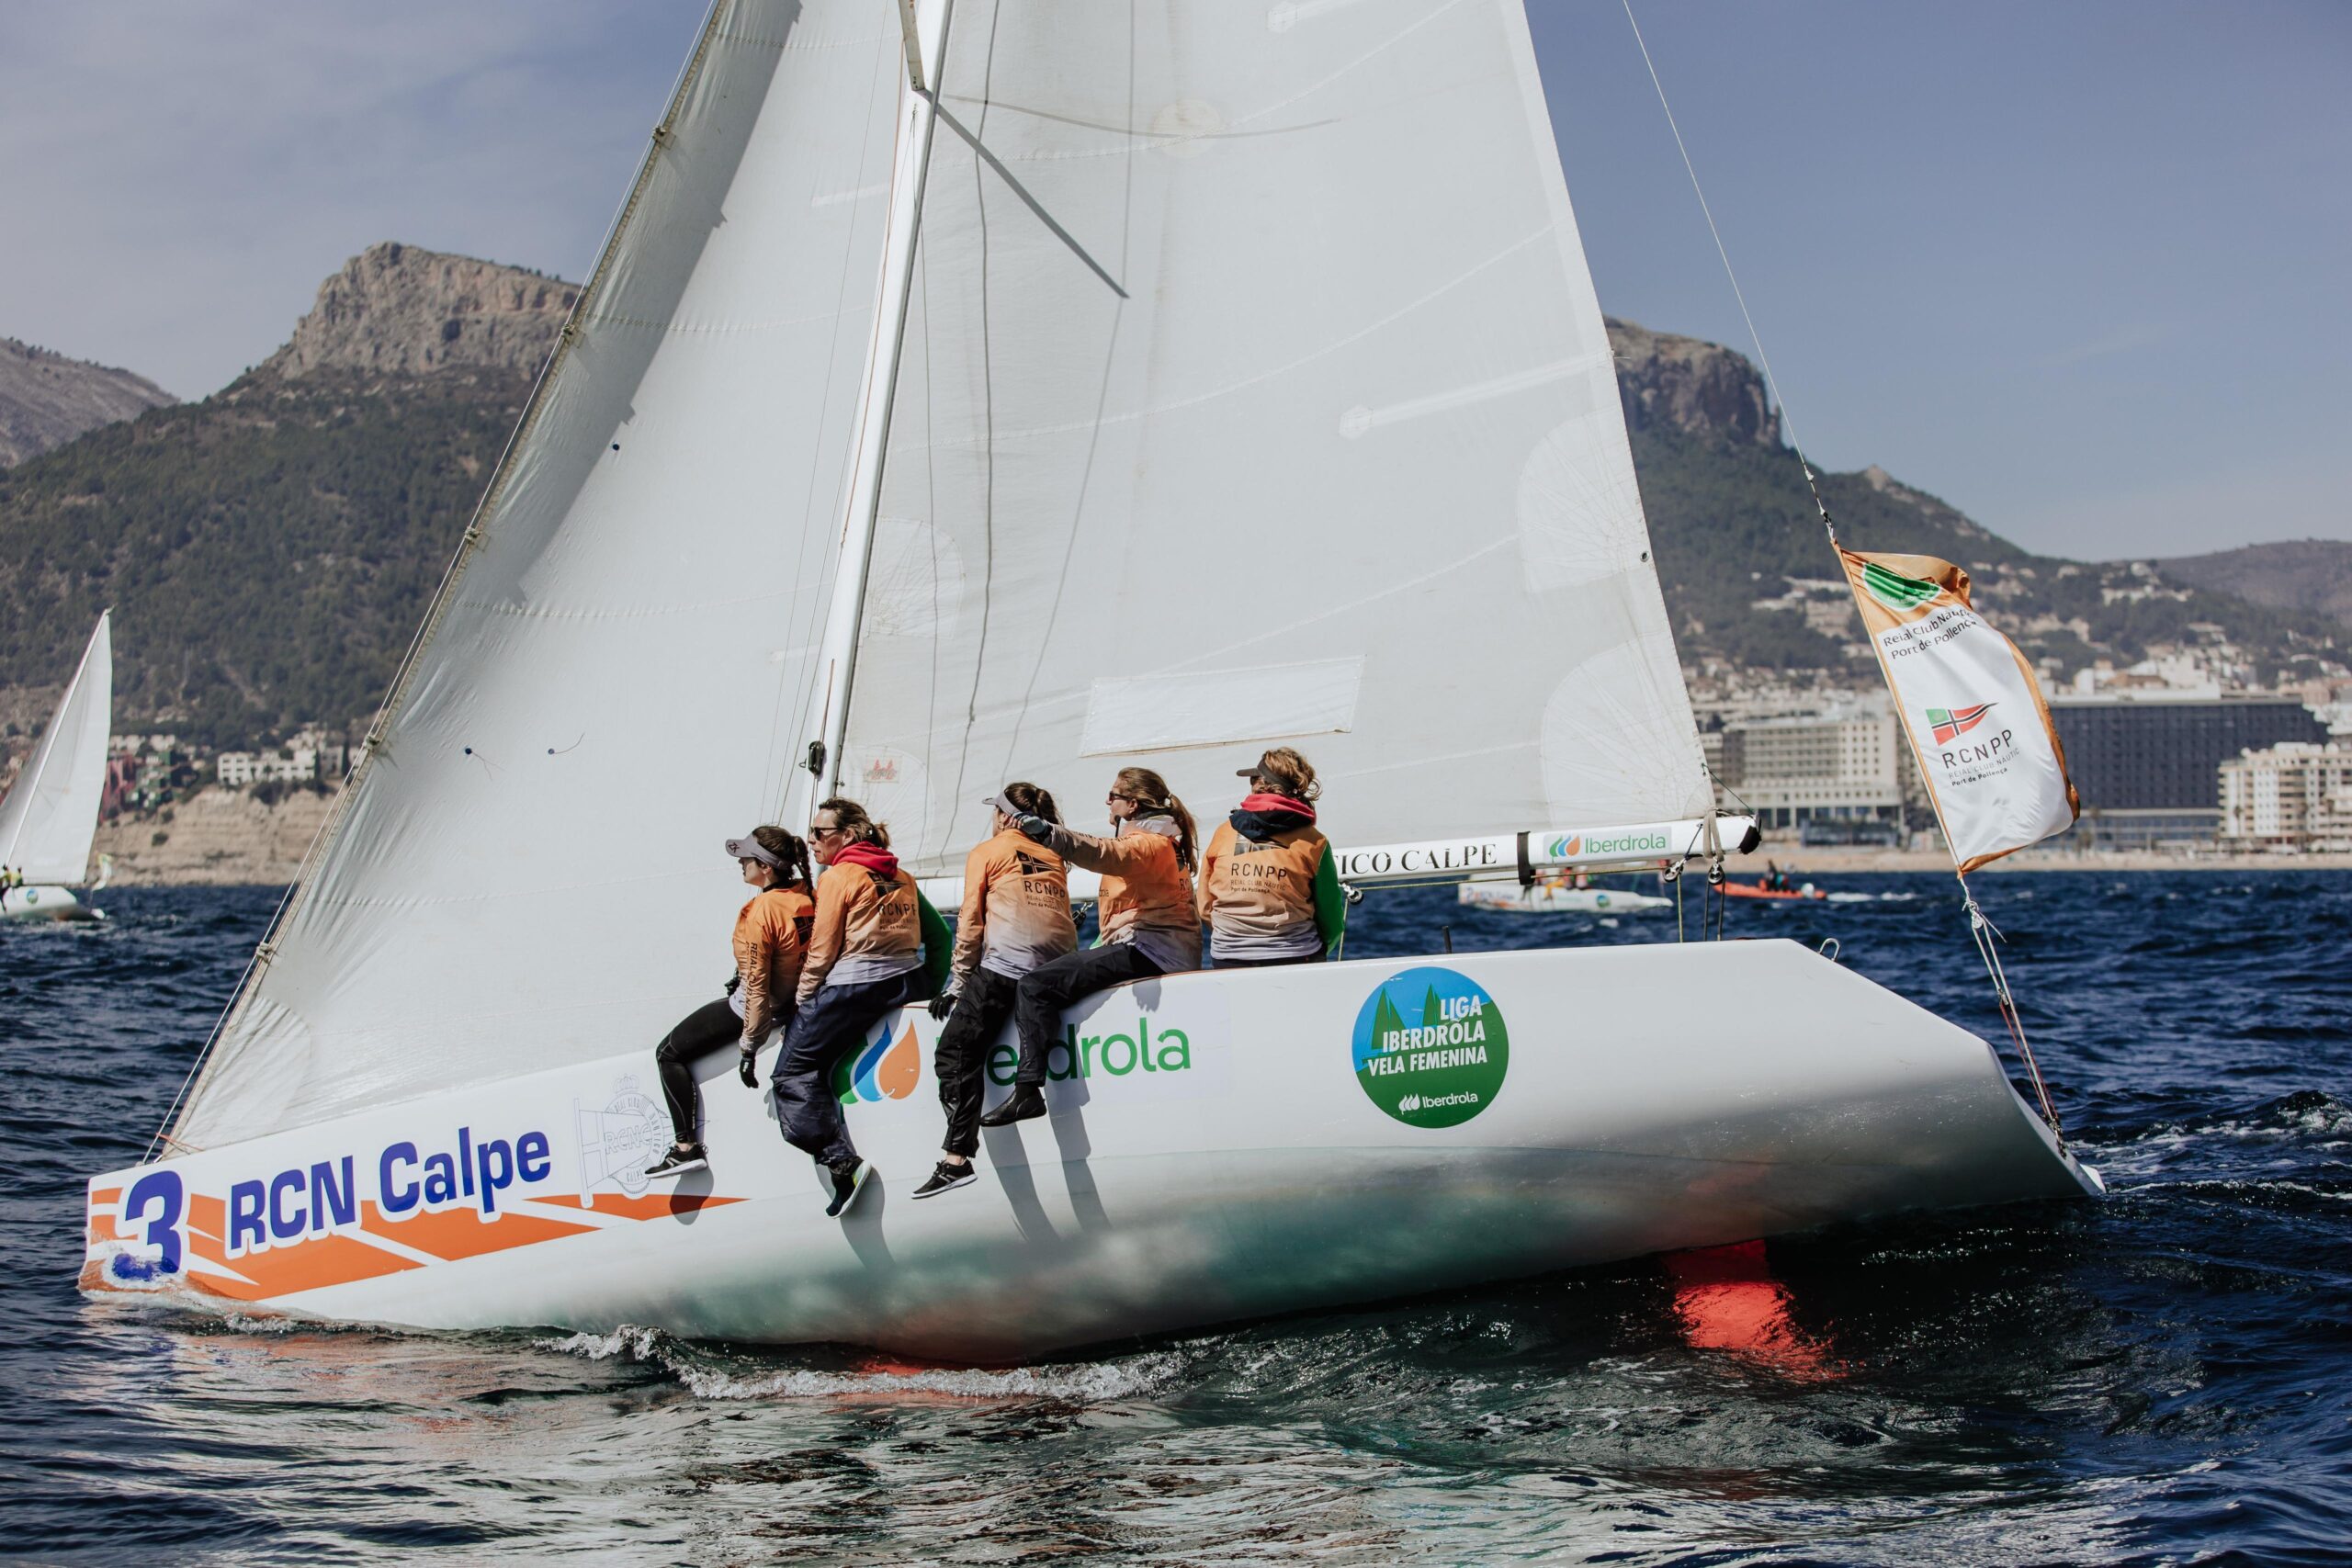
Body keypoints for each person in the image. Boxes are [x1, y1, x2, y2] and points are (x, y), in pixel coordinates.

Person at [980, 767, 1200, 1127]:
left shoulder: (1148, 844)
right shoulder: (1163, 841)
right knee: (1058, 975)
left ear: (1132, 805)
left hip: (1152, 952)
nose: (1107, 801)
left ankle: (1027, 1092)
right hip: (1154, 948)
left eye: (1113, 795)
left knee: (1035, 985)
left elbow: (1103, 852)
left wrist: (1049, 833)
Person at [768, 796, 951, 1216]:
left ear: (847, 836)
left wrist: (803, 1002)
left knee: (792, 1073)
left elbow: (822, 951)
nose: (811, 840)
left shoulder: (838, 876)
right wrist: (931, 987)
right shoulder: (900, 875)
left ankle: (841, 1163)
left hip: (857, 987)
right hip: (907, 981)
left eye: (819, 832)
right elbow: (941, 936)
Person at [914, 783, 1076, 1198]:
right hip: (1057, 971)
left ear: (1004, 816)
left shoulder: (988, 851)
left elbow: (970, 922)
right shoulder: (1053, 852)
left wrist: (958, 982)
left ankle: (956, 1160)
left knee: (954, 1053)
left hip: (1008, 968)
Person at [644, 827, 816, 1179]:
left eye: (747, 858)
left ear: (765, 867)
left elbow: (757, 989)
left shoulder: (760, 911)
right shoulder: (806, 893)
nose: (740, 863)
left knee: (668, 1053)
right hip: (795, 1004)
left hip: (758, 1011)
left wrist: (749, 1048)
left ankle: (685, 1149)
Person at [1196, 747, 1344, 968]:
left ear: (1258, 785)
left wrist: (1233, 937)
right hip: (1296, 955)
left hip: (1228, 956)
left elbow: (1205, 904)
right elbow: (1331, 916)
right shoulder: (1315, 842)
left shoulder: (1224, 832)